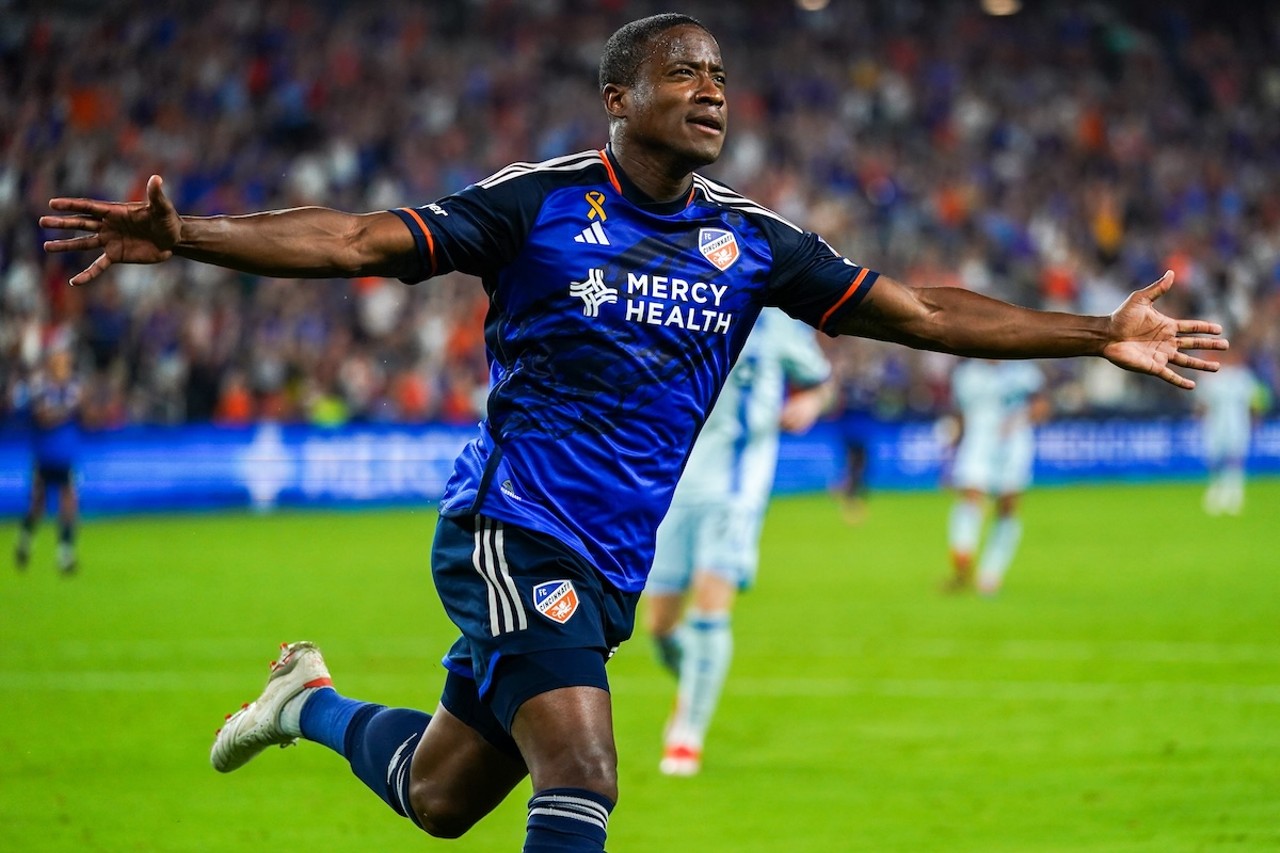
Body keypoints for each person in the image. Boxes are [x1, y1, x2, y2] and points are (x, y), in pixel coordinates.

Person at [38, 14, 1226, 851]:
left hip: (612, 556)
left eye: (718, 74)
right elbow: (355, 241)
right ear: (619, 99)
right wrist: (187, 234)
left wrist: (1091, 334)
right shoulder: (540, 202)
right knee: (587, 776)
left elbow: (916, 312)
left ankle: (304, 702)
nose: (712, 89)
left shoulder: (752, 242)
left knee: (441, 797)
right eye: (682, 72)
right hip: (513, 527)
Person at [644, 307, 832, 776]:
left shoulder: (776, 326)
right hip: (675, 488)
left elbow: (821, 381)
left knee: (710, 607)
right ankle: (695, 683)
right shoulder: (675, 310)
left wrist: (809, 403)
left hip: (735, 491)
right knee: (659, 627)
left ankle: (687, 736)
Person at [942, 358, 1049, 596]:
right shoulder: (966, 373)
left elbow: (1042, 407)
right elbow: (958, 415)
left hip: (1015, 445)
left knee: (1008, 507)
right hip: (977, 443)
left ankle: (990, 575)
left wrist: (1021, 419)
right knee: (970, 498)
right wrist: (948, 457)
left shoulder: (1024, 371)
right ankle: (962, 566)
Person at [14, 347, 83, 575]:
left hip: (65, 455)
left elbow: (86, 417)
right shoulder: (41, 387)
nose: (64, 366)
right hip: (45, 454)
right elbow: (42, 417)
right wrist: (68, 411)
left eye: (66, 363)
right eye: (60, 362)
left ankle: (65, 556)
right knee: (38, 504)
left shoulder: (74, 388)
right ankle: (24, 542)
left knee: (68, 502)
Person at [1195, 346, 1267, 516]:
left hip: (1237, 423)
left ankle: (1235, 492)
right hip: (1215, 423)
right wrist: (1200, 418)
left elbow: (1254, 402)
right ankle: (1216, 491)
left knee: (1235, 458)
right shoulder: (1212, 378)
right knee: (1215, 458)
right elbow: (1202, 403)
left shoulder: (1244, 378)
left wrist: (1255, 419)